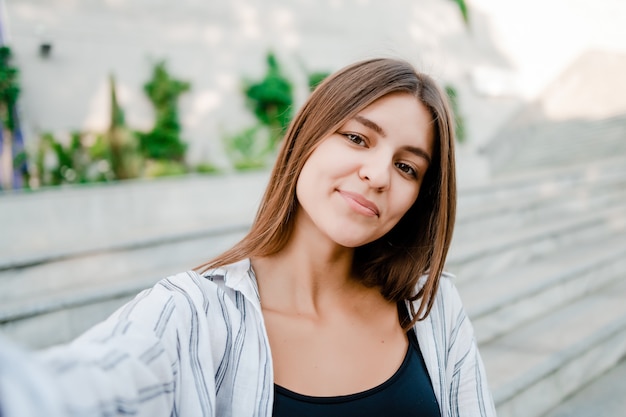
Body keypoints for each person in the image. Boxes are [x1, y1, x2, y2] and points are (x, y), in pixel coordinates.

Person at [0, 57, 496, 416]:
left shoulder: (431, 308)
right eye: (357, 138)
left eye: (407, 167)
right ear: (306, 138)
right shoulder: (190, 313)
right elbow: (77, 388)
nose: (378, 174)